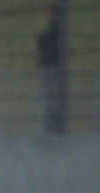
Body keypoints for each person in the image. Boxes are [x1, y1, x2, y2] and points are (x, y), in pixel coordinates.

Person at [35, 4, 64, 134]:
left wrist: (40, 39)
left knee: (49, 100)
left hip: (50, 67)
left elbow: (46, 43)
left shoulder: (56, 29)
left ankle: (50, 129)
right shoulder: (60, 29)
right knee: (51, 99)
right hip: (53, 67)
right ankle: (53, 127)